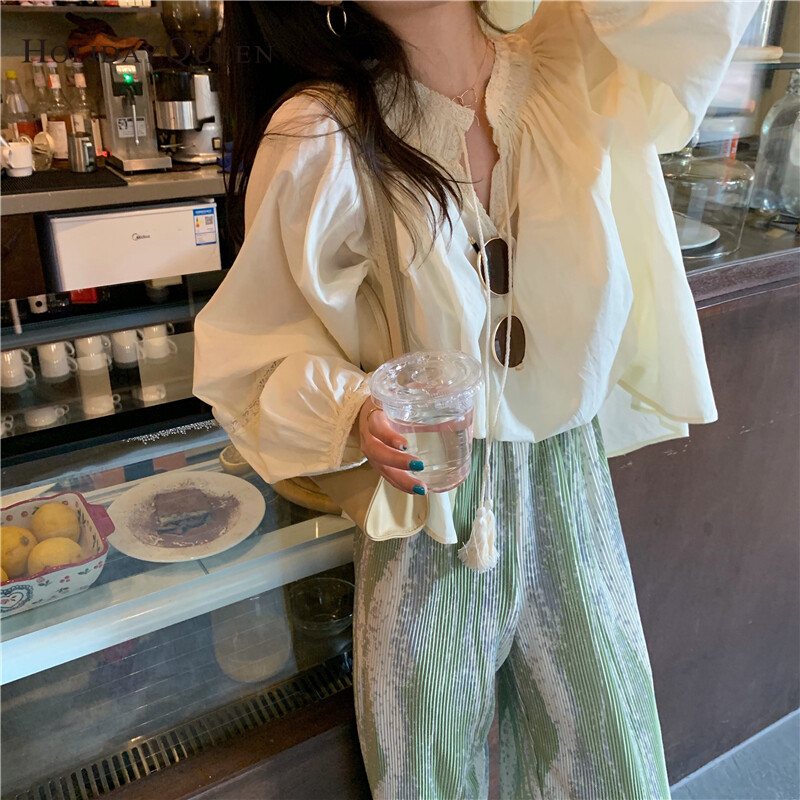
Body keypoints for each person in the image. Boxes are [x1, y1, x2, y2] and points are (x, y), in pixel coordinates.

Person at [193, 1, 757, 797]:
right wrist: (353, 410)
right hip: (425, 506)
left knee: (610, 754)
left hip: (567, 482)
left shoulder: (573, 60)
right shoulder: (323, 133)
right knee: (423, 769)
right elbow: (256, 349)